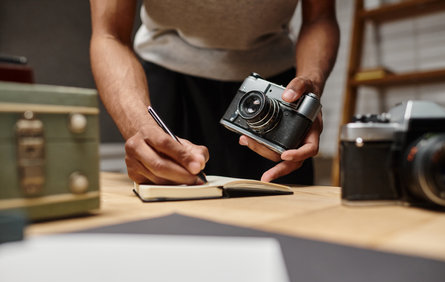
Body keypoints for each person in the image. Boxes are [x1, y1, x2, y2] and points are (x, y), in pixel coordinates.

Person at [89, 0, 340, 185]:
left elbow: (319, 17)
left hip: (279, 95)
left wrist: (311, 88)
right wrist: (138, 125)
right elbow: (109, 34)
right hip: (166, 86)